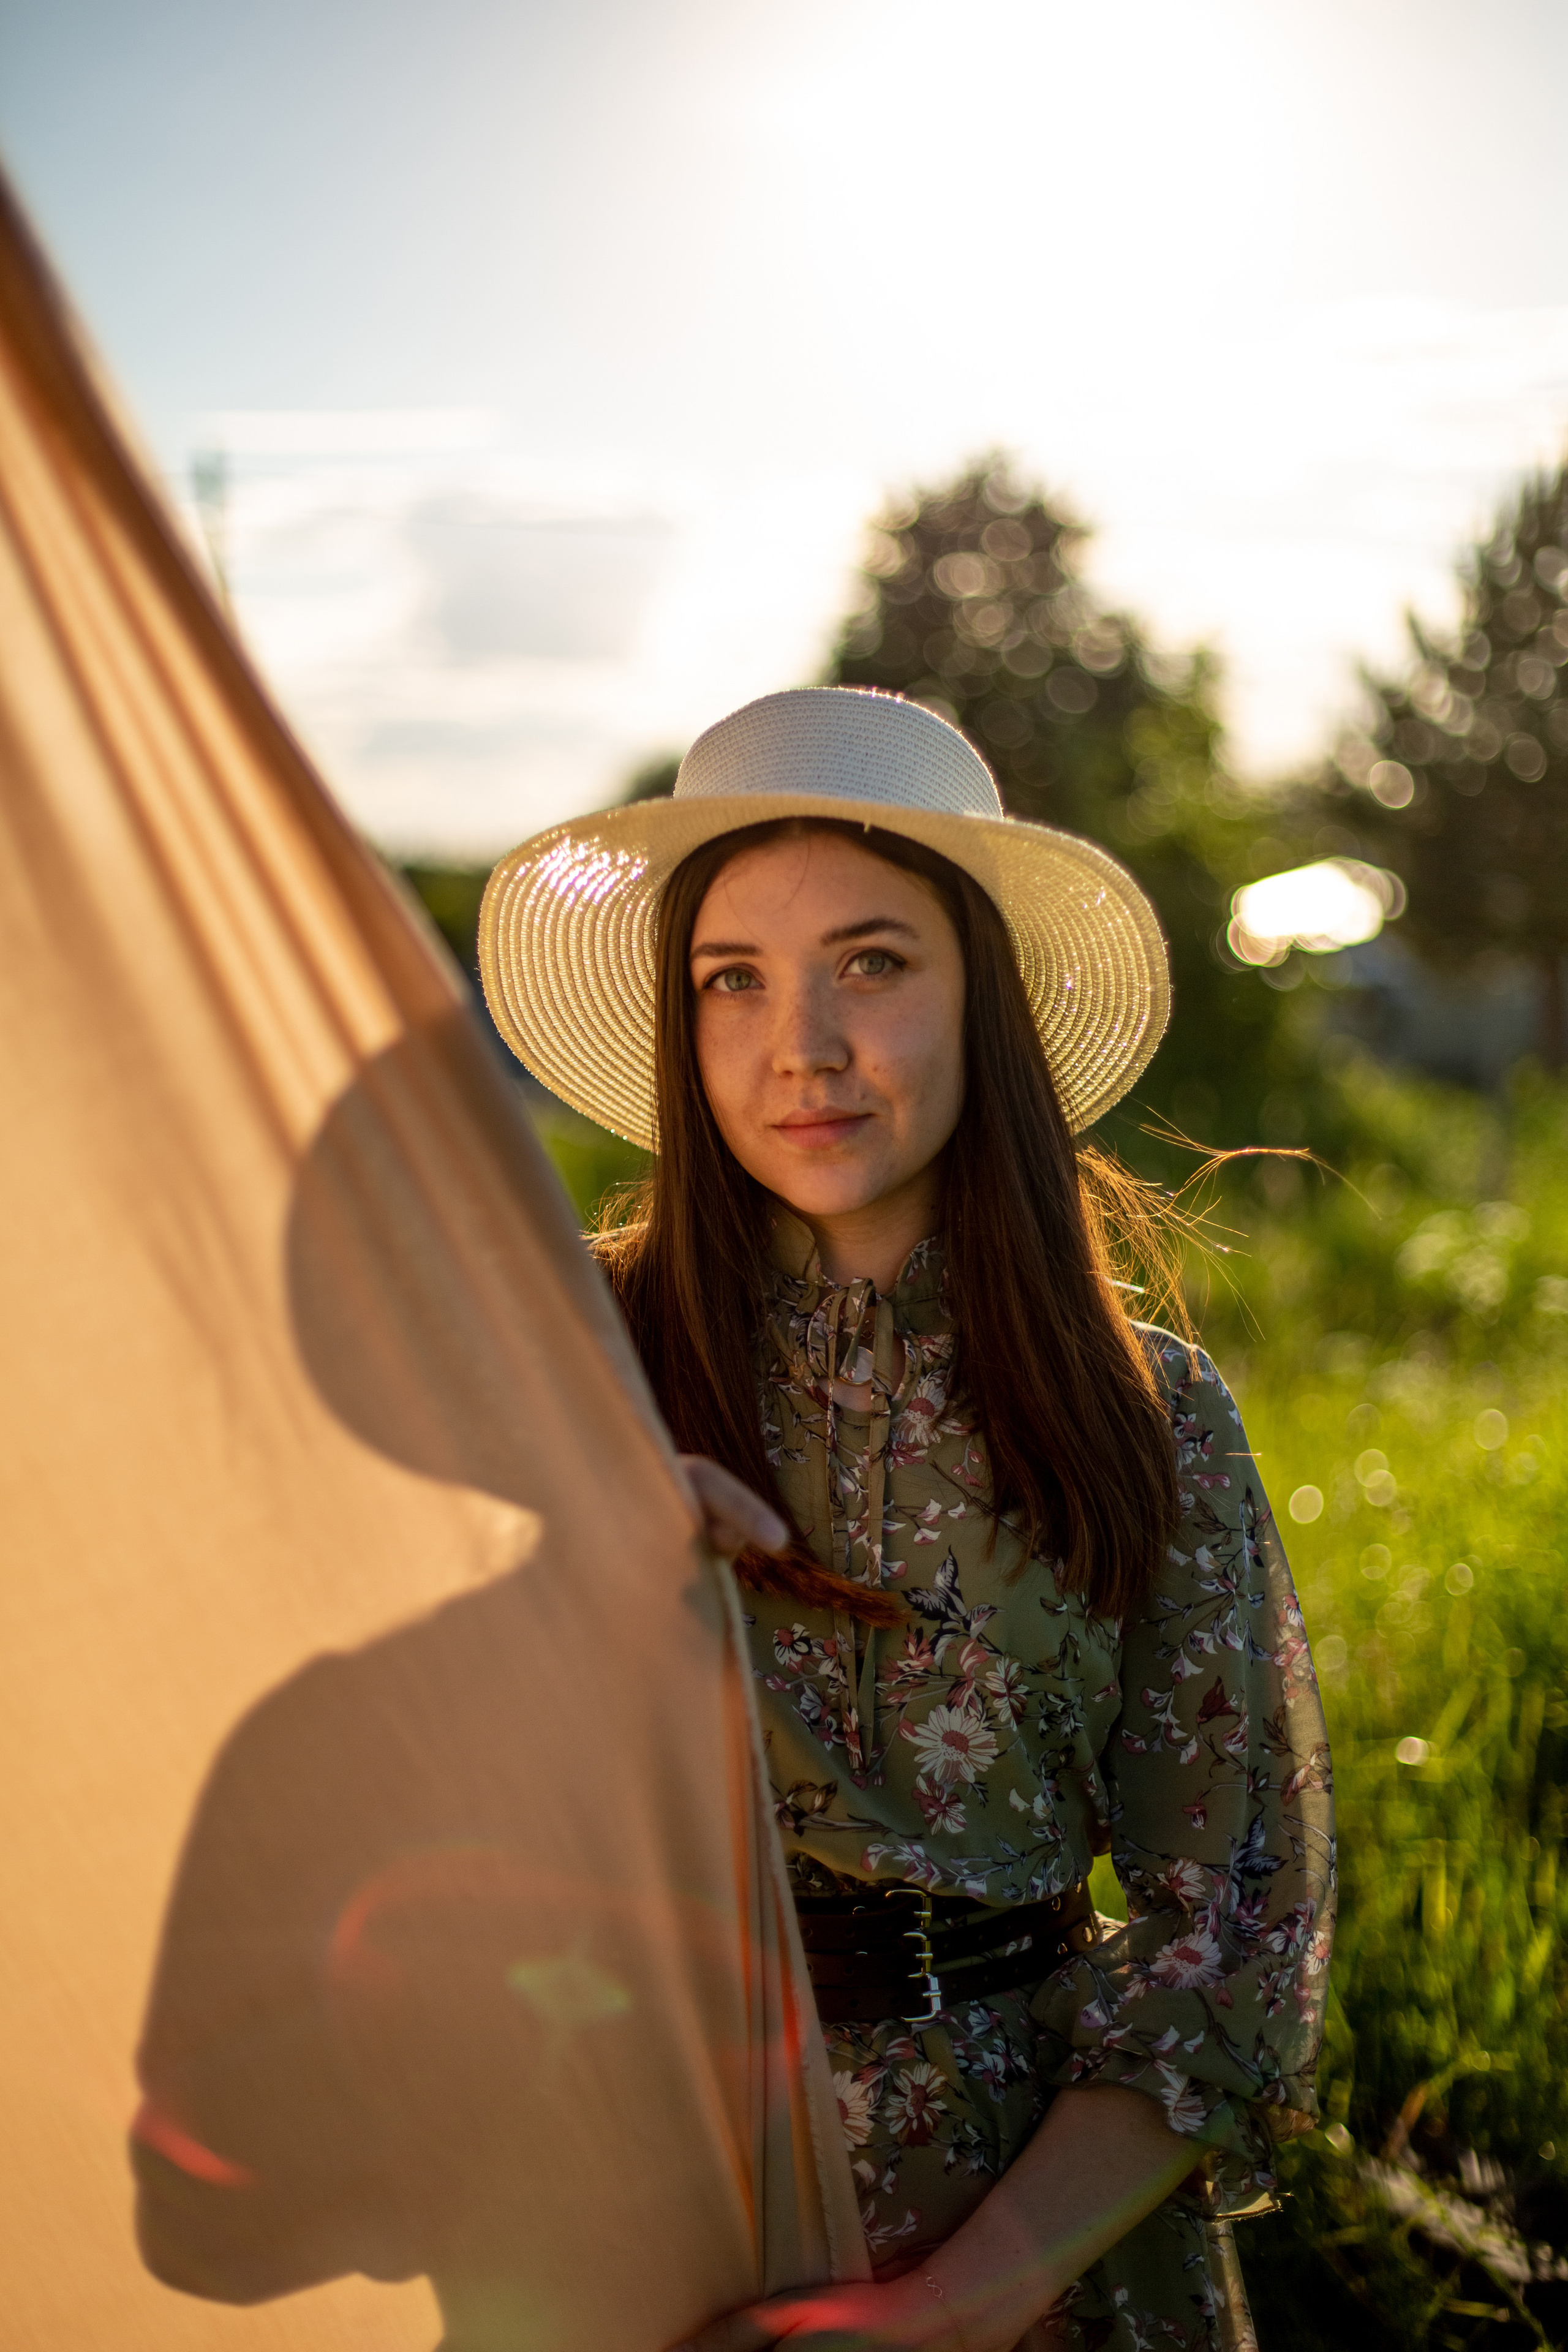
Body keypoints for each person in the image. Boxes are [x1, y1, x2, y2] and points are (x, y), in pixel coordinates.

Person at [480, 688, 1335, 2352]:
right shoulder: (549, 1365)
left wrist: (963, 2303)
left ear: (983, 1005)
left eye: (873, 963)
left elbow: (1233, 1922)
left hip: (1049, 2236)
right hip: (649, 2204)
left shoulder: (1142, 1410)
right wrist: (564, 1508)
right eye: (734, 981)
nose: (801, 1045)